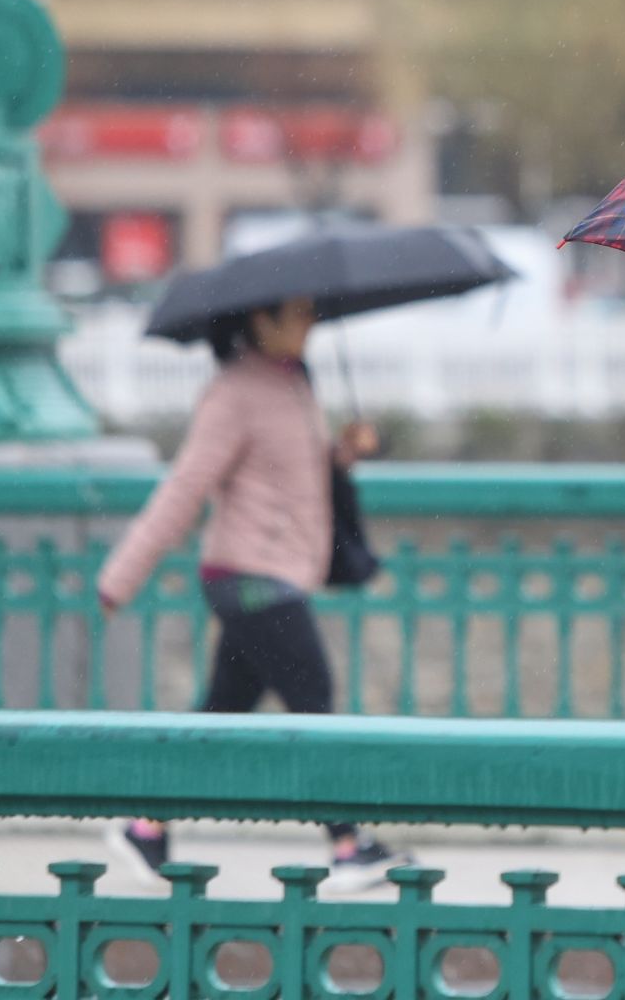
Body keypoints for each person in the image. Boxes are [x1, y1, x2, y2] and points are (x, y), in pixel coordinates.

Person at [98, 296, 408, 893]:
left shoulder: (294, 383)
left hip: (277, 573)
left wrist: (344, 453)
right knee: (314, 700)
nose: (310, 323)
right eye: (298, 314)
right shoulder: (234, 393)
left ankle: (146, 826)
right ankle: (346, 844)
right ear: (259, 322)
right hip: (248, 576)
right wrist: (122, 576)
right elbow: (186, 487)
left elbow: (293, 473)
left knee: (222, 710)